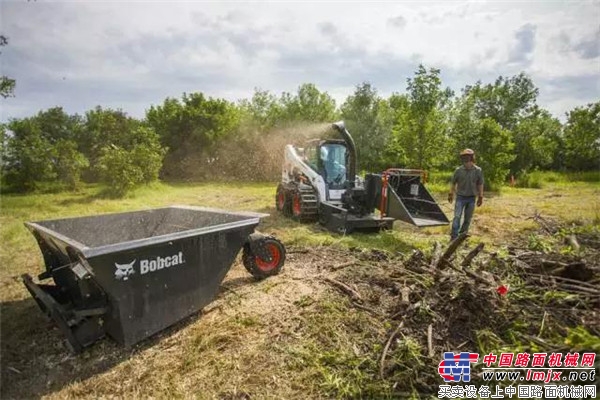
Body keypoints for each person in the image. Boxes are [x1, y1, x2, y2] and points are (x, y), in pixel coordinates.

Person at [448, 148, 484, 240]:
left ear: (472, 158)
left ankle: (462, 235)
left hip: (471, 198)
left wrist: (480, 196)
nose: (466, 160)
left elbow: (480, 183)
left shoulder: (478, 170)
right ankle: (454, 236)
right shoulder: (458, 170)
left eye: (468, 157)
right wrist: (451, 193)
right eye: (464, 157)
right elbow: (453, 182)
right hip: (460, 197)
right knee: (457, 217)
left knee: (467, 219)